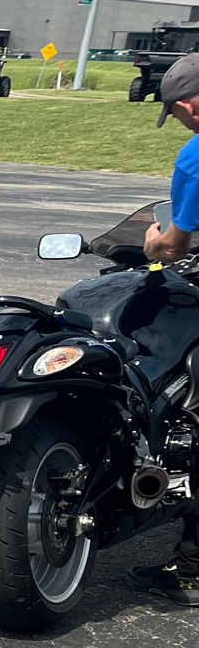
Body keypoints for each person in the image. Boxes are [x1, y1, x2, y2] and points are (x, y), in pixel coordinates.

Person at [128, 52, 199, 604]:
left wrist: (151, 239)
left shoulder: (196, 155)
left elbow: (175, 245)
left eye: (175, 115)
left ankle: (194, 567)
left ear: (186, 105)